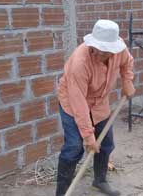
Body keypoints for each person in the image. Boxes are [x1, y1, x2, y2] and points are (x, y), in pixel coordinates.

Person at [56, 19, 135, 196]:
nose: (98, 54)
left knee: (106, 144)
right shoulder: (80, 62)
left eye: (103, 52)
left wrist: (127, 81)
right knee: (74, 148)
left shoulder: (119, 50)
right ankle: (61, 192)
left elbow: (127, 62)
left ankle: (99, 181)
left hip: (99, 102)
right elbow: (78, 102)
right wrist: (88, 135)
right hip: (73, 103)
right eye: (95, 50)